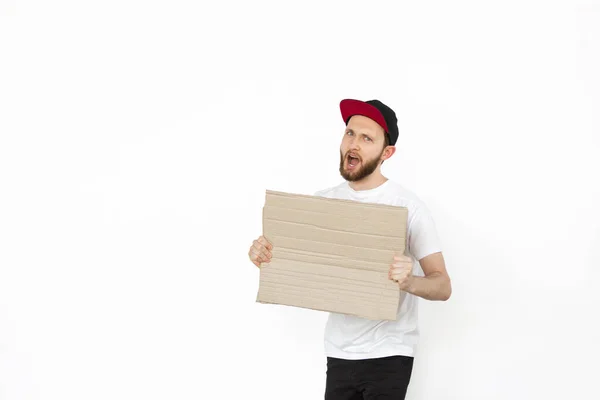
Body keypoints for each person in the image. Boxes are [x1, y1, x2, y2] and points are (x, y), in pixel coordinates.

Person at [248, 98, 452, 399]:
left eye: (366, 138)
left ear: (387, 152)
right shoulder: (322, 204)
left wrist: (409, 281)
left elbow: (443, 285)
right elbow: (299, 266)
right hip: (339, 352)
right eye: (349, 133)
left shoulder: (406, 206)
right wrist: (264, 256)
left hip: (390, 353)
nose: (353, 144)